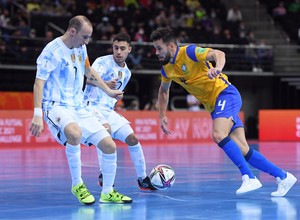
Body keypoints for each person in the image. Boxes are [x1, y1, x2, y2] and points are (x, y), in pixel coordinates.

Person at [150, 26, 297, 196]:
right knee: (244, 149)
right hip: (214, 106)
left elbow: (218, 54)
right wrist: (161, 115)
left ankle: (248, 177)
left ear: (171, 46)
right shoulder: (166, 69)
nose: (156, 52)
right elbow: (163, 90)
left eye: (159, 48)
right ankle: (283, 177)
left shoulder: (189, 52)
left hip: (225, 94)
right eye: (155, 48)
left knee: (218, 134)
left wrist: (218, 68)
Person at [29, 15, 132, 205]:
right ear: (72, 31)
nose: (88, 41)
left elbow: (88, 72)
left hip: (79, 107)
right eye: (85, 37)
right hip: (56, 105)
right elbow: (38, 83)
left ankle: (108, 193)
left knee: (109, 146)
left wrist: (108, 91)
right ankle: (77, 184)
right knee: (74, 133)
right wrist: (37, 115)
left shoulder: (81, 48)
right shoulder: (51, 51)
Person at [83, 33, 156, 190]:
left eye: (122, 48)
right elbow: (87, 79)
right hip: (91, 106)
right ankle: (104, 173)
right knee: (106, 132)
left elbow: (115, 95)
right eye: (116, 48)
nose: (118, 52)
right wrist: (106, 84)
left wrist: (117, 96)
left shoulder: (127, 73)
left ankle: (142, 178)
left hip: (108, 110)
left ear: (129, 49)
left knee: (133, 139)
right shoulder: (103, 62)